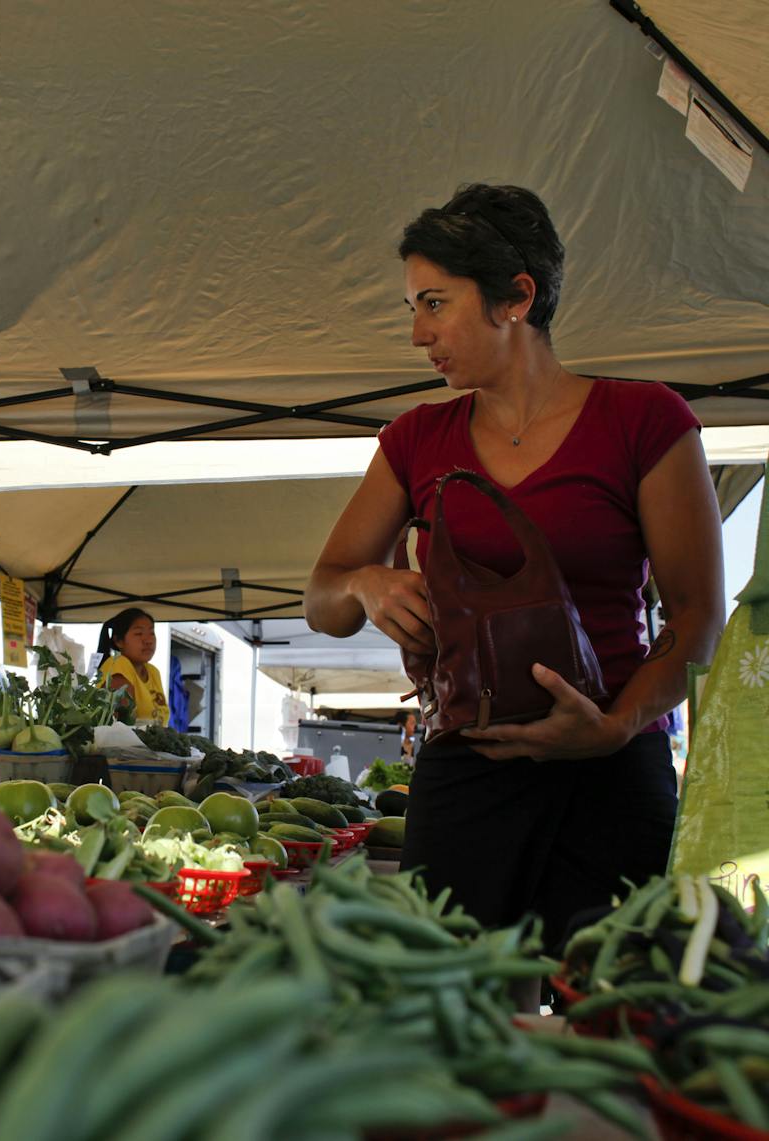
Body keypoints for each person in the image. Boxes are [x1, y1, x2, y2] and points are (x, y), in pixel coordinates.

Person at [305, 183, 725, 949]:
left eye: (434, 303)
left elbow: (698, 612)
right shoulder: (415, 440)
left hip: (614, 766)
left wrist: (616, 725)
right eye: (412, 307)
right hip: (468, 766)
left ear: (516, 298)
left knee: (612, 1014)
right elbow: (321, 600)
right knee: (449, 1009)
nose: (415, 333)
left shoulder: (647, 421)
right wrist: (366, 583)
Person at [95, 608, 170, 726]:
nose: (148, 640)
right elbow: (119, 725)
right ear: (119, 641)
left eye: (151, 633)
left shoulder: (153, 671)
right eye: (139, 633)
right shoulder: (118, 664)